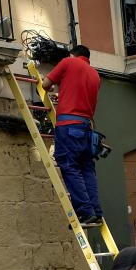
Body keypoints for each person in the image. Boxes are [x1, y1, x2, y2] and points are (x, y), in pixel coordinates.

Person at [41, 44, 103, 225]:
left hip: (68, 125)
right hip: (86, 127)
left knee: (68, 165)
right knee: (87, 169)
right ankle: (96, 212)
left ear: (72, 54)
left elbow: (45, 83)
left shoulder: (68, 62)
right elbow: (80, 96)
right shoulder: (94, 74)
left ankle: (85, 211)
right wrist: (62, 96)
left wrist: (51, 89)